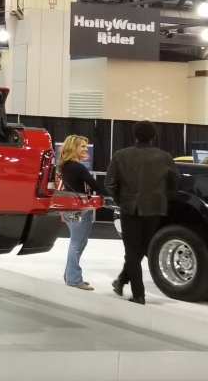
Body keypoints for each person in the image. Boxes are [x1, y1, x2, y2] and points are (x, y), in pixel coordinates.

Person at [104, 120, 180, 305]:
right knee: (140, 250)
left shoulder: (121, 155)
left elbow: (109, 183)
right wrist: (162, 198)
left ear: (134, 135)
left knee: (132, 252)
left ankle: (137, 293)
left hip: (130, 208)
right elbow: (174, 184)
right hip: (155, 208)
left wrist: (121, 200)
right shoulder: (165, 157)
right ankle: (122, 281)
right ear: (154, 136)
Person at [57, 135, 106, 291]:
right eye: (83, 146)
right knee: (77, 244)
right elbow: (94, 185)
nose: (86, 149)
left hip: (68, 207)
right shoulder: (77, 166)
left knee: (77, 242)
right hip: (79, 209)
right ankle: (74, 279)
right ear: (74, 147)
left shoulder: (65, 165)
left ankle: (69, 275)